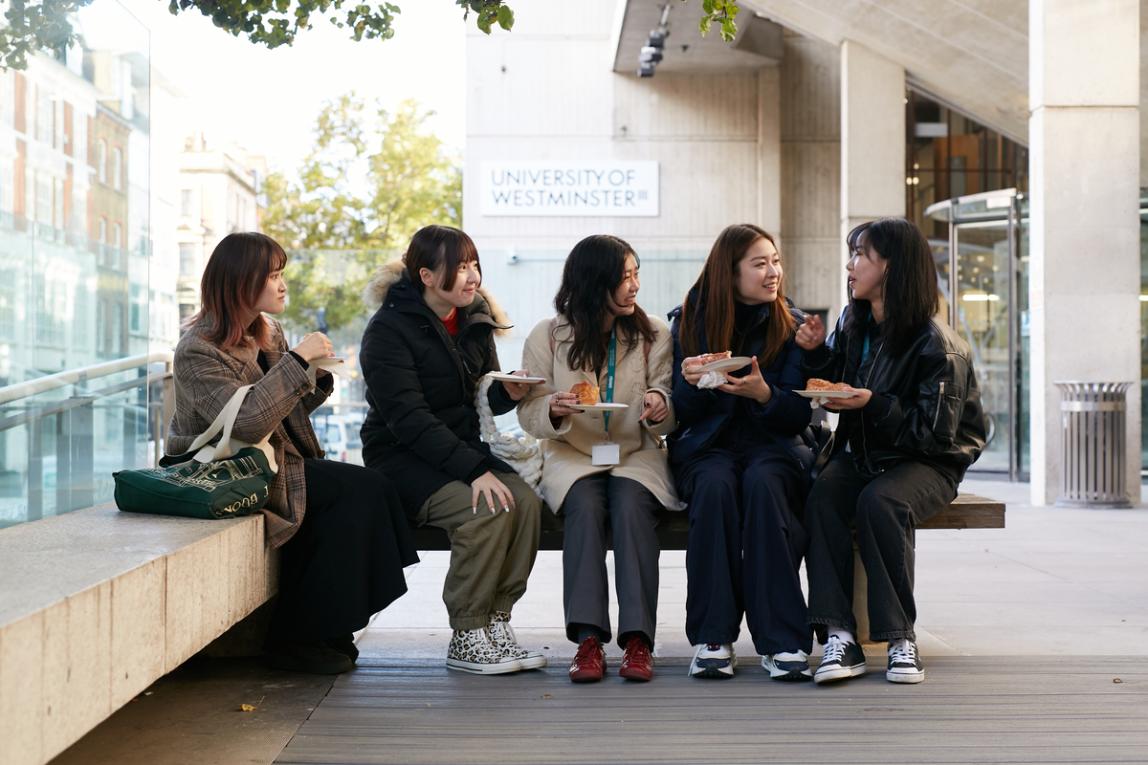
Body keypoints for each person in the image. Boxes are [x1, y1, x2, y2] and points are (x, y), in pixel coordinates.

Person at [167, 232, 418, 675]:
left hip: (272, 463)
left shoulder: (267, 332)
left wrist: (316, 376)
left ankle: (326, 628)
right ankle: (300, 637)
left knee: (364, 490)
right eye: (273, 276)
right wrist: (298, 362)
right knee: (358, 489)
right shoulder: (197, 349)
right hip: (224, 473)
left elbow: (284, 411)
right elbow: (243, 424)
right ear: (241, 281)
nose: (282, 285)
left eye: (282, 274)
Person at [796, 216, 987, 686]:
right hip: (864, 455)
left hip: (928, 462)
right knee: (822, 496)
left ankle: (901, 638)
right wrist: (816, 353)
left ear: (892, 267)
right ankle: (839, 635)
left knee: (881, 502)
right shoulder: (856, 323)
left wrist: (872, 403)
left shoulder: (937, 345)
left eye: (861, 254)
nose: (850, 264)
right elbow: (837, 377)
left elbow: (934, 436)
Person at [359, 224, 544, 675]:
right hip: (402, 457)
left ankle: (496, 621)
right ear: (426, 275)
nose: (472, 276)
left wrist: (509, 393)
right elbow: (409, 419)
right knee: (485, 509)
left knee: (525, 502)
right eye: (460, 267)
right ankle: (467, 631)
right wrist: (474, 470)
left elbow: (478, 392)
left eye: (474, 264)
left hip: (458, 451)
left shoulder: (473, 318)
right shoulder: (387, 330)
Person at [518, 235, 680, 683]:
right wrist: (551, 408)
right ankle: (588, 640)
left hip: (635, 454)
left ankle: (637, 641)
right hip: (573, 455)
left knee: (631, 507)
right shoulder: (547, 336)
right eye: (624, 277)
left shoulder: (652, 335)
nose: (635, 286)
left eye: (636, 274)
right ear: (595, 282)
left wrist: (658, 405)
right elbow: (528, 412)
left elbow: (669, 400)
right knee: (586, 507)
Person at [668, 223, 815, 681]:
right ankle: (714, 638)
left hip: (774, 448)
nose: (773, 272)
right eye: (760, 264)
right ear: (729, 274)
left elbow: (799, 414)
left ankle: (783, 640)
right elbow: (682, 412)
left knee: (764, 485)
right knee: (713, 488)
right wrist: (695, 382)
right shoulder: (691, 320)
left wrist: (764, 395)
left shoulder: (792, 324)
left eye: (775, 261)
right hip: (708, 448)